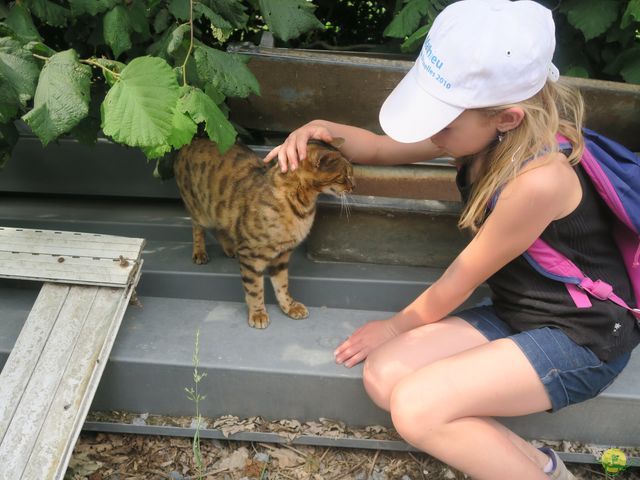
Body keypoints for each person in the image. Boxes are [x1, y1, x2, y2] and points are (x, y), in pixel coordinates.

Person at [264, 1, 639, 479]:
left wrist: (398, 326)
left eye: (441, 122)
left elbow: (461, 277)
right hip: (519, 312)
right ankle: (540, 467)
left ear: (507, 118)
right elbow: (381, 145)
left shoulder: (539, 180)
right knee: (385, 377)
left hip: (581, 339)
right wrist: (322, 132)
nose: (431, 132)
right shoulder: (476, 132)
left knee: (417, 408)